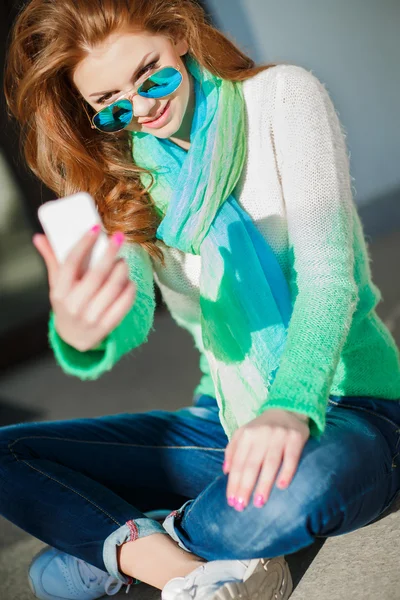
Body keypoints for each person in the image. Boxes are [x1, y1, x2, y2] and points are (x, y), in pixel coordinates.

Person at [2, 0, 400, 599]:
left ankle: (148, 545)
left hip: (350, 406)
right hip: (226, 421)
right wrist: (84, 329)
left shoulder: (283, 100)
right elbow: (131, 315)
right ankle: (184, 568)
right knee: (10, 454)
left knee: (313, 479)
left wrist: (289, 407)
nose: (140, 107)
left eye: (152, 75)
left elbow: (329, 281)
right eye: (110, 105)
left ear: (178, 35)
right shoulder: (126, 174)